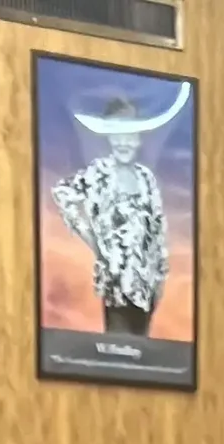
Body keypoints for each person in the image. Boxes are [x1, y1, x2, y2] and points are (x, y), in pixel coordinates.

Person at [54, 90, 176, 335]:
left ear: (139, 138)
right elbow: (62, 193)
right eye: (117, 134)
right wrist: (92, 238)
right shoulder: (100, 173)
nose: (124, 142)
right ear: (109, 137)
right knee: (119, 349)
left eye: (130, 134)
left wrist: (161, 277)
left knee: (143, 353)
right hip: (116, 285)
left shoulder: (146, 178)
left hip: (147, 287)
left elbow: (158, 229)